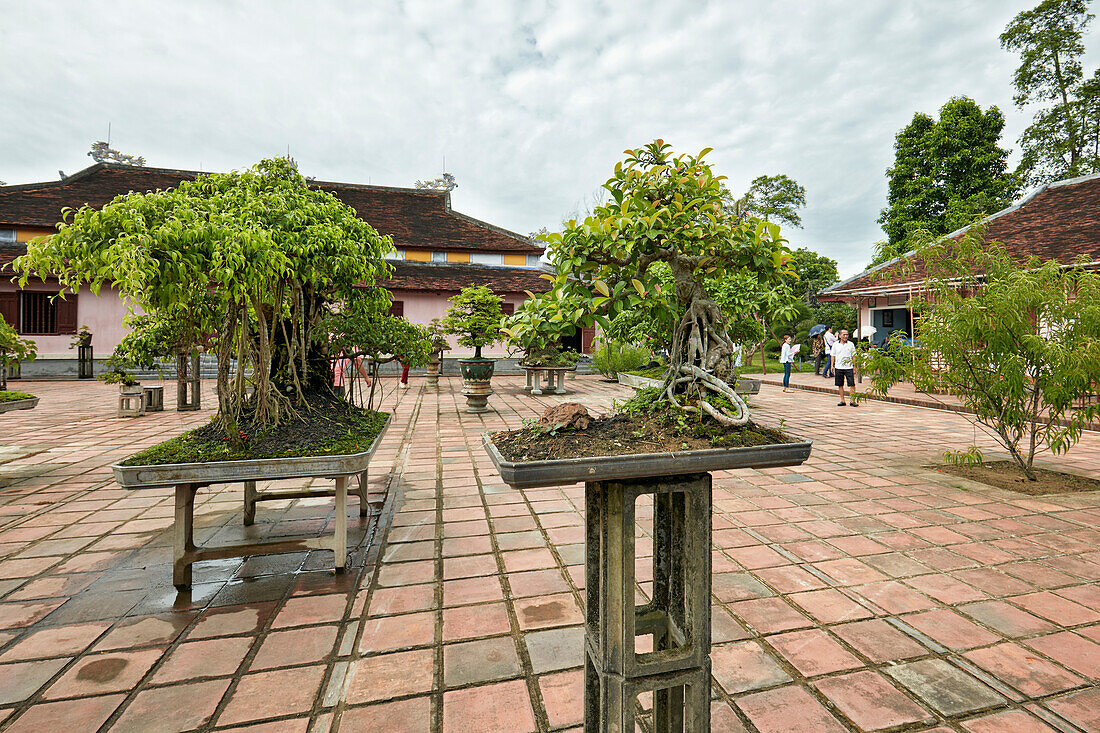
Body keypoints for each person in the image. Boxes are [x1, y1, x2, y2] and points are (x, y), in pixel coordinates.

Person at [832, 329, 858, 406]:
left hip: (849, 367)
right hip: (838, 367)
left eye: (847, 334)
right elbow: (833, 355)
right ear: (839, 336)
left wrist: (854, 366)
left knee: (852, 384)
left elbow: (854, 356)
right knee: (840, 384)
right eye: (844, 334)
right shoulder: (835, 344)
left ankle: (852, 400)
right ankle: (842, 400)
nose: (845, 336)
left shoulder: (851, 344)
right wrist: (832, 366)